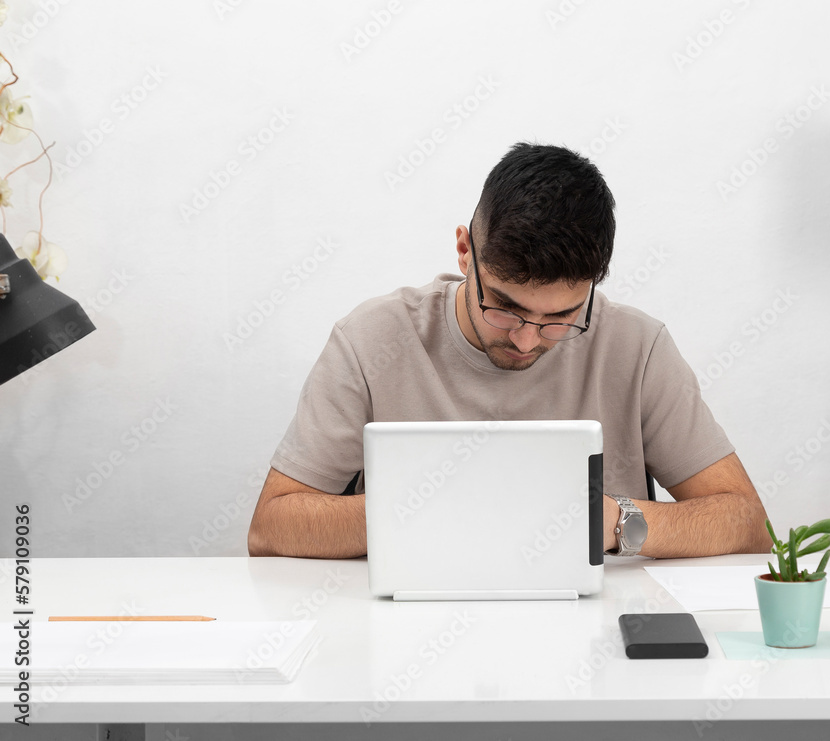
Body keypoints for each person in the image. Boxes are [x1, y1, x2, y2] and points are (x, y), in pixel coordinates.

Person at [248, 142, 770, 559]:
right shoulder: (371, 340)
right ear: (464, 250)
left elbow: (746, 523)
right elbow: (272, 528)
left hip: (596, 642)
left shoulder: (637, 347)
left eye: (560, 318)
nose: (525, 339)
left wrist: (616, 520)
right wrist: (445, 509)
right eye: (503, 306)